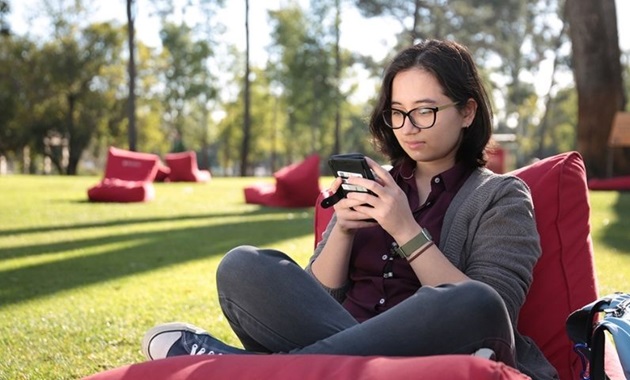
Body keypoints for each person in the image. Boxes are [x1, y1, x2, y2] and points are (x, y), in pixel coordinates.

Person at [141, 39, 558, 379]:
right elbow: (314, 302)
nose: (408, 126)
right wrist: (341, 229)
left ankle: (258, 373)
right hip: (345, 341)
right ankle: (317, 370)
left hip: (438, 355)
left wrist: (405, 230)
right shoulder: (374, 183)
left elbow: (494, 314)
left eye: (425, 111)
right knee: (242, 266)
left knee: (474, 301)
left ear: (467, 111)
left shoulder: (502, 196)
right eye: (398, 112)